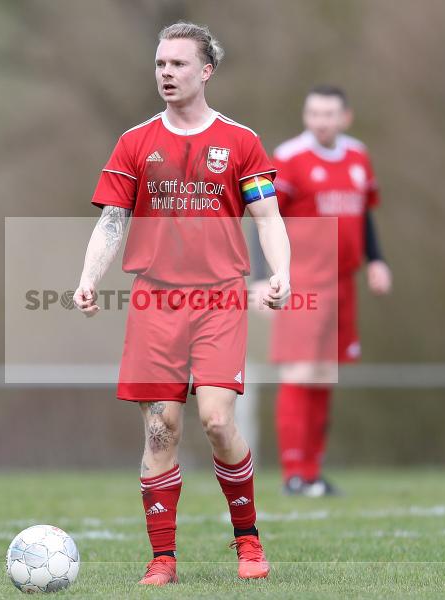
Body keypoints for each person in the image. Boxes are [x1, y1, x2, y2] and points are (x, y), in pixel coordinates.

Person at [73, 22, 291, 585]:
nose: (166, 73)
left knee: (217, 421)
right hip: (154, 302)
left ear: (206, 70)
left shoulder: (240, 141)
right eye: (160, 64)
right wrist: (88, 278)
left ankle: (248, 542)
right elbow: (112, 221)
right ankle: (163, 558)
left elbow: (268, 217)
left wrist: (282, 273)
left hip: (219, 298)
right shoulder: (135, 141)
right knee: (161, 431)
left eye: (178, 64)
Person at [262, 84, 392, 497]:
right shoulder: (289, 158)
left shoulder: (358, 155)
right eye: (313, 113)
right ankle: (293, 474)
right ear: (306, 116)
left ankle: (312, 472)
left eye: (328, 114)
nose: (320, 121)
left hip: (342, 282)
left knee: (323, 378)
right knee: (299, 373)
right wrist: (266, 275)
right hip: (302, 280)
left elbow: (364, 215)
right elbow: (265, 218)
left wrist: (376, 260)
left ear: (345, 117)